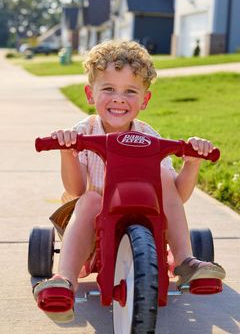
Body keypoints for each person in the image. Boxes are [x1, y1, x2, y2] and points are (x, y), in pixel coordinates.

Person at [33, 40, 225, 322]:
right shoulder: (83, 132)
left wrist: (191, 163)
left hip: (141, 219)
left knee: (161, 174)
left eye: (130, 91)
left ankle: (185, 261)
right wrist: (68, 152)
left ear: (145, 100)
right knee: (91, 199)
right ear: (90, 93)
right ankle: (66, 281)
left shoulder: (151, 137)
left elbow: (177, 196)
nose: (119, 98)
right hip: (90, 226)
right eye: (108, 88)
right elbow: (75, 190)